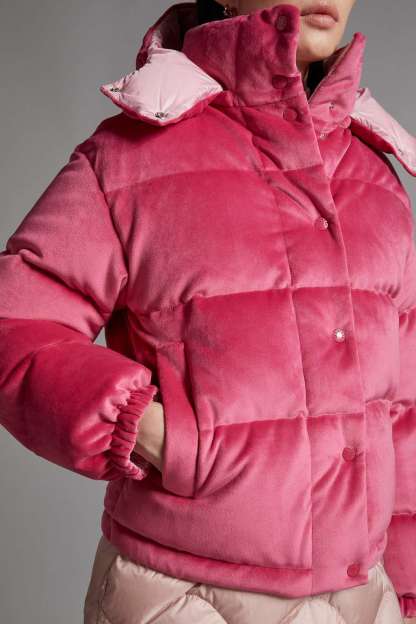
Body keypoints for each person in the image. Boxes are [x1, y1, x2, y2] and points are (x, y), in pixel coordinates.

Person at [0, 1, 415, 622]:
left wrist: (407, 591)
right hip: (180, 595)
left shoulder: (374, 178)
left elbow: (404, 409)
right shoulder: (131, 156)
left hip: (363, 599)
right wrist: (141, 426)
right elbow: (15, 324)